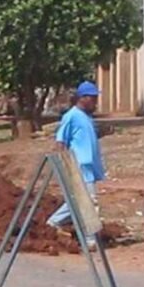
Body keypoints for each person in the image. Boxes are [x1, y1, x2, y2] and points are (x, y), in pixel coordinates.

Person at [47, 81, 104, 230]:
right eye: (93, 98)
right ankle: (90, 238)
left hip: (89, 166)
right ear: (83, 98)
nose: (95, 102)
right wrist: (65, 165)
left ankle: (53, 223)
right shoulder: (71, 116)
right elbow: (60, 141)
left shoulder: (86, 117)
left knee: (79, 201)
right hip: (79, 165)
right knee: (88, 201)